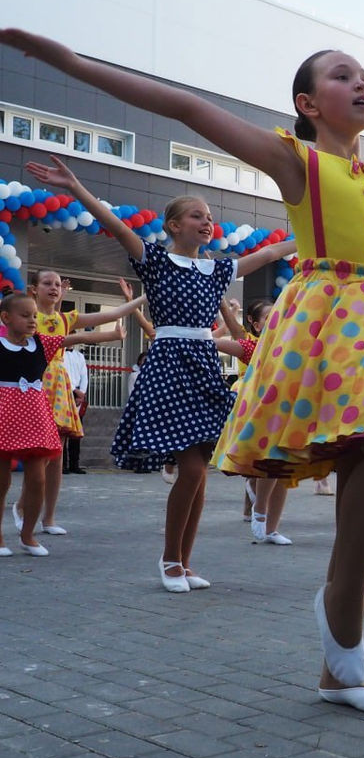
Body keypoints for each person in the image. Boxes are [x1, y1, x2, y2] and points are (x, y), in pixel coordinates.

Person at [4, 31, 364, 712]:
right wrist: (71, 65)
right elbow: (184, 109)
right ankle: (338, 616)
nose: (362, 84)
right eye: (343, 76)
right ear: (308, 103)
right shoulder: (297, 163)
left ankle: (339, 659)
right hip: (328, 319)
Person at [27, 154, 293, 588]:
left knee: (201, 470)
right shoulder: (154, 259)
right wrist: (74, 187)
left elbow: (269, 252)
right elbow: (115, 225)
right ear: (173, 225)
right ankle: (169, 560)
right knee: (190, 469)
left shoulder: (215, 268)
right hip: (170, 365)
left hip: (204, 367)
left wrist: (319, 237)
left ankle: (185, 563)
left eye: (209, 217)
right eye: (196, 215)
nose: (207, 222)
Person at [15, 269, 140, 534]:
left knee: (56, 455)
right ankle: (24, 506)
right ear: (34, 289)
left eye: (58, 284)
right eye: (47, 283)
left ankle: (48, 518)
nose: (54, 288)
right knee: (39, 455)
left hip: (58, 386)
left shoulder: (64, 318)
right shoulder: (27, 317)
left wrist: (139, 299)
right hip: (34, 384)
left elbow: (110, 315)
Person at [0, 292, 118, 556]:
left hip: (35, 418)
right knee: (1, 480)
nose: (32, 321)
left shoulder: (42, 344)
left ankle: (27, 535)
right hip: (4, 416)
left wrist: (113, 335)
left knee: (38, 479)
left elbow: (77, 337)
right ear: (6, 318)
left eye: (34, 316)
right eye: (25, 316)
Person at [213, 297, 295, 545]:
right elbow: (224, 340)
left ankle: (271, 527)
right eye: (270, 318)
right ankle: (258, 511)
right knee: (269, 461)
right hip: (259, 410)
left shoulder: (294, 346)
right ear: (257, 326)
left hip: (286, 410)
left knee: (284, 472)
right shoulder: (255, 346)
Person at [61, 344, 88, 474]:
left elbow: (84, 375)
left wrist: (81, 392)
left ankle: (74, 463)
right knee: (64, 429)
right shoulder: (60, 355)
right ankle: (62, 464)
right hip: (64, 391)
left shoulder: (79, 356)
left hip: (78, 394)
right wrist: (74, 390)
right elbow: (61, 374)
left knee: (76, 431)